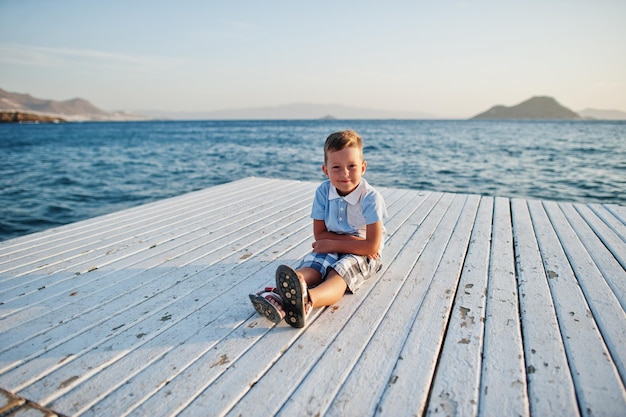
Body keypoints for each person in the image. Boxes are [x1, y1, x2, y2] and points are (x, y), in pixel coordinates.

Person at [249, 129, 387, 328]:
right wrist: (351, 243)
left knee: (339, 273)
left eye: (352, 166)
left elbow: (371, 248)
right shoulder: (323, 191)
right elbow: (319, 235)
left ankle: (306, 301)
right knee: (314, 264)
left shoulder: (370, 198)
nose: (344, 173)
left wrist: (337, 243)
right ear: (325, 170)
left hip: (362, 255)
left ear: (363, 167)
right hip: (340, 245)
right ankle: (281, 293)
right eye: (337, 167)